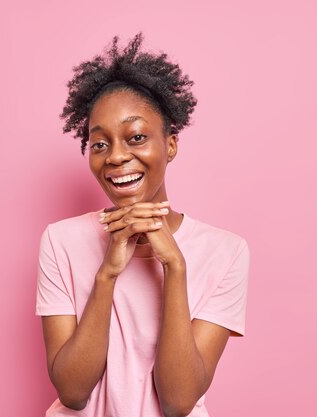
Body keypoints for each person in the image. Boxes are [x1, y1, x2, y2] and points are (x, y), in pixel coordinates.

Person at [36, 32, 250, 417]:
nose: (116, 157)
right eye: (100, 144)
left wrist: (175, 267)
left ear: (170, 145)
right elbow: (72, 391)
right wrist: (107, 274)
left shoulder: (226, 251)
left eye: (136, 137)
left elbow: (177, 401)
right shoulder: (61, 241)